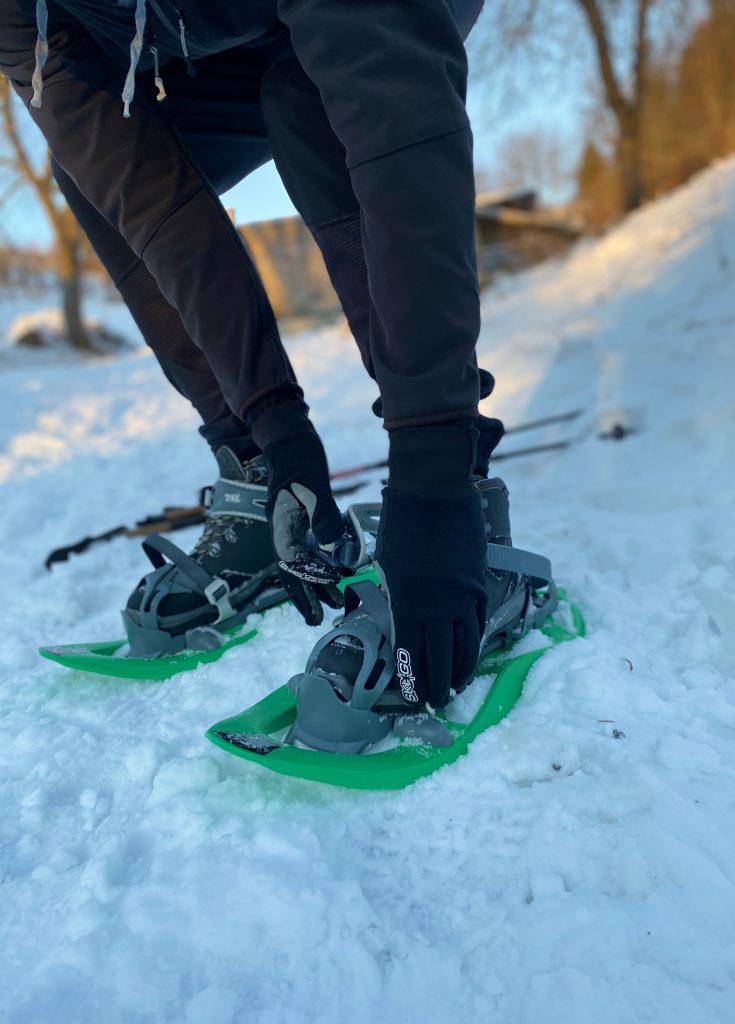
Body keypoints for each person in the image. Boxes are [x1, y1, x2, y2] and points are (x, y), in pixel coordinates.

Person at [0, 0, 507, 709]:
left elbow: (391, 98)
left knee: (304, 96)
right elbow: (150, 200)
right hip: (212, 37)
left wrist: (433, 470)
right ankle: (259, 489)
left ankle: (471, 505)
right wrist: (272, 423)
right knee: (93, 168)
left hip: (377, 20)